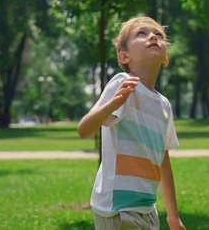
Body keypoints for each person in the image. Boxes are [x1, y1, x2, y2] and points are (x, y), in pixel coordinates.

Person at [77, 17, 185, 230]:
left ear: (165, 59)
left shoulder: (164, 105)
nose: (152, 36)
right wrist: (113, 103)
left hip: (147, 208)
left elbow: (163, 160)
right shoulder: (122, 84)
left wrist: (173, 216)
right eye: (141, 34)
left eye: (158, 35)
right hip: (118, 208)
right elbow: (84, 130)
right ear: (124, 56)